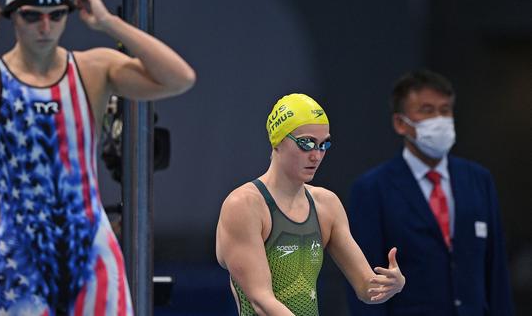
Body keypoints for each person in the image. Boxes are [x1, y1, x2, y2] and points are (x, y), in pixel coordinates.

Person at [0, 0, 195, 315]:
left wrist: (109, 23)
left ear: (68, 14)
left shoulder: (93, 69)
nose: (45, 26)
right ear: (12, 16)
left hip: (92, 256)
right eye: (32, 15)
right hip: (21, 260)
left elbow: (180, 78)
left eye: (57, 14)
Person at [215, 93, 405, 315]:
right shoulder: (244, 205)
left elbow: (367, 289)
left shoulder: (327, 205)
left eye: (324, 144)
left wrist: (392, 285)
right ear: (277, 141)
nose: (316, 155)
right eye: (306, 143)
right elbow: (261, 300)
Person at [346, 70, 514, 316]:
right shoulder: (372, 188)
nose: (439, 119)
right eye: (427, 110)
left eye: (445, 110)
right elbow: (363, 281)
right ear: (400, 123)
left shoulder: (479, 180)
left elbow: (496, 270)